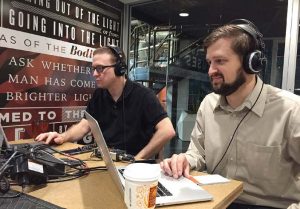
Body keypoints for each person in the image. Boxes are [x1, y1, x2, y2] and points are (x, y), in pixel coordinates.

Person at [160, 19, 300, 209]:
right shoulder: (208, 104)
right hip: (216, 201)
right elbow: (197, 154)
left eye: (220, 61)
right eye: (209, 62)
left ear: (252, 63)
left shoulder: (291, 110)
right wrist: (184, 160)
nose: (211, 71)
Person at [36, 45, 175, 159]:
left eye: (100, 68)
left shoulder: (144, 95)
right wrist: (62, 137)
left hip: (136, 170)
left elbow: (167, 130)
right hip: (107, 162)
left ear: (120, 69)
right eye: (93, 69)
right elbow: (84, 126)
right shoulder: (99, 95)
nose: (95, 74)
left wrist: (136, 160)